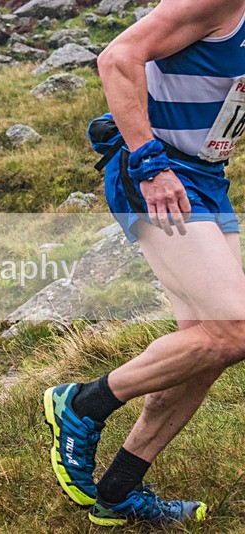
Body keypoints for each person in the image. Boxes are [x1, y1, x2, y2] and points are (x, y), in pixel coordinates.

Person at [44, 0, 245, 526]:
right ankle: (81, 404)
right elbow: (118, 57)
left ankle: (119, 489)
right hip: (159, 172)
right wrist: (149, 164)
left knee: (209, 346)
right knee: (236, 329)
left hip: (206, 177)